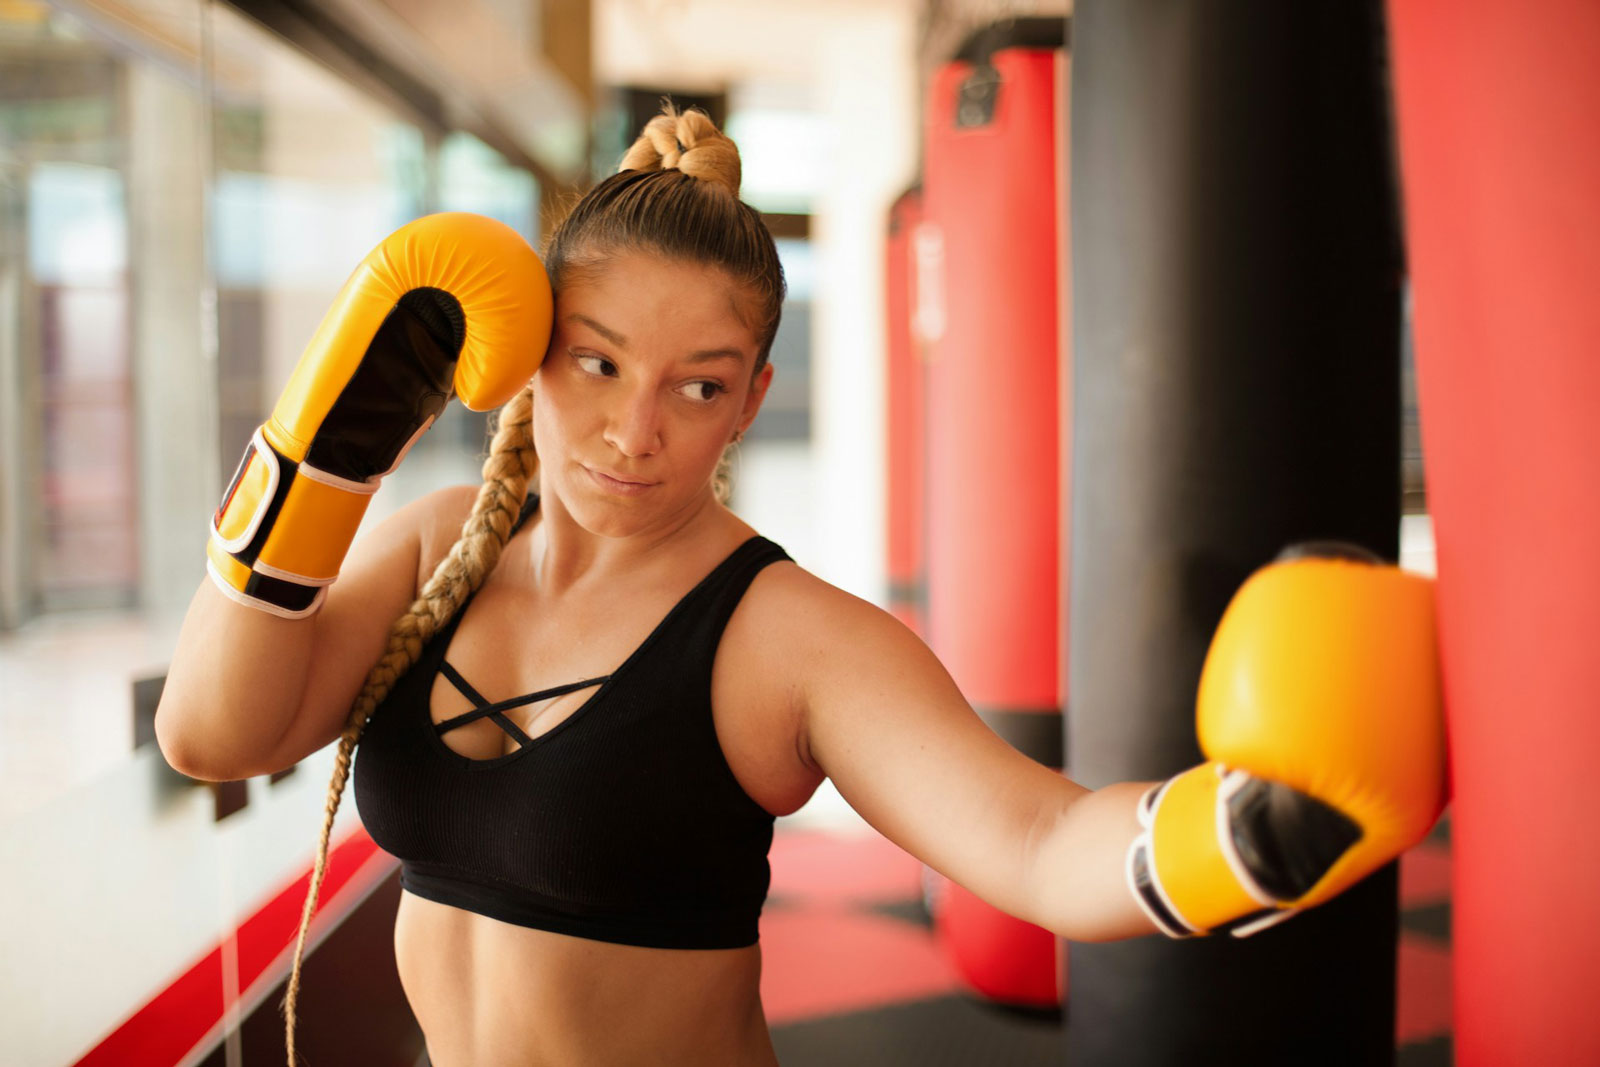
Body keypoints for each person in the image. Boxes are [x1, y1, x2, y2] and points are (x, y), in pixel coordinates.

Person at [155, 107, 1447, 1067]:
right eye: (598, 365)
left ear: (753, 405)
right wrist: (317, 459)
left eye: (698, 385)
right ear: (534, 351)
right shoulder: (443, 544)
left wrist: (1241, 838)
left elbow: (1043, 845)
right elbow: (213, 732)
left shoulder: (784, 638)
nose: (633, 431)